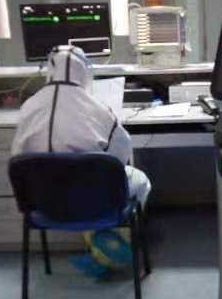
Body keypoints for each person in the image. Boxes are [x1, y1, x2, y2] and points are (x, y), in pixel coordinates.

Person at [12, 45, 151, 278]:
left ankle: (97, 243)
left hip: (44, 205)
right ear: (84, 72)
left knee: (87, 185)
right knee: (140, 181)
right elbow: (121, 154)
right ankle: (109, 239)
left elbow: (17, 156)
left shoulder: (28, 107)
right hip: (96, 202)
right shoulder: (98, 108)